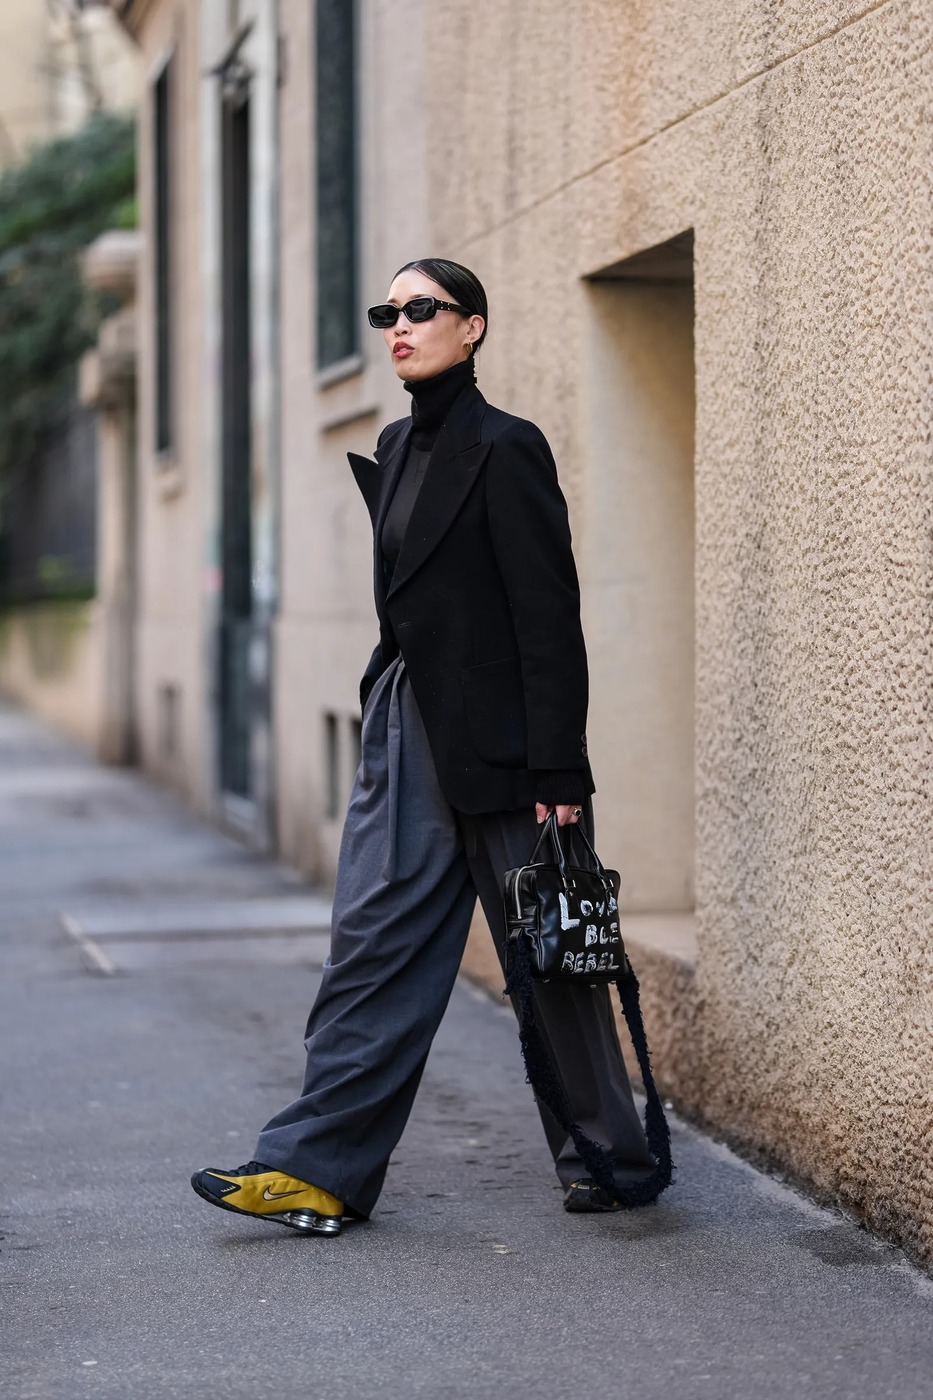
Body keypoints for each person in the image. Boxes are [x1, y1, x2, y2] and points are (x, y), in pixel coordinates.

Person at [191, 258, 659, 1237]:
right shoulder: (397, 445)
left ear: (472, 325)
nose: (398, 326)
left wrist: (560, 769)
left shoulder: (509, 447)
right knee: (369, 946)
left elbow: (548, 620)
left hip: (507, 747)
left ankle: (609, 1159)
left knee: (549, 954)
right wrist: (381, 686)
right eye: (387, 313)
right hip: (409, 731)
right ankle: (312, 1167)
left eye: (420, 309)